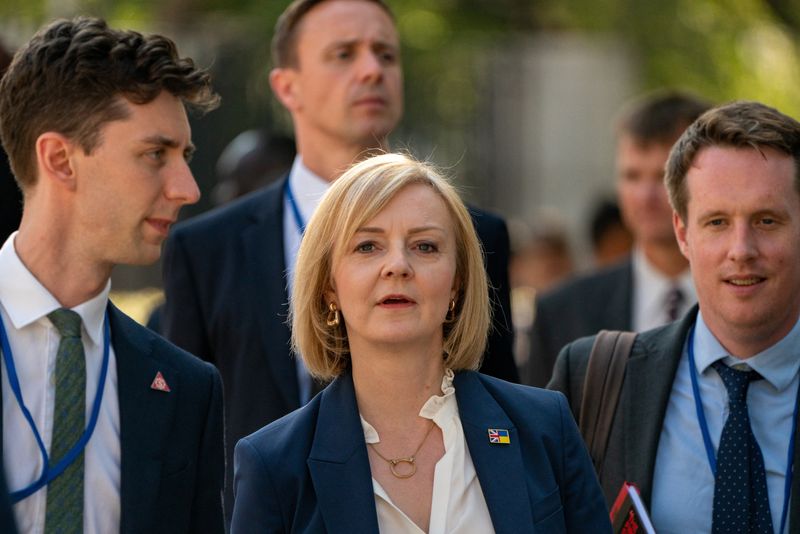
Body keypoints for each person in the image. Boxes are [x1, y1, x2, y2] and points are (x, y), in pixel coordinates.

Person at [161, 0, 518, 515]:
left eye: (386, 55)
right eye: (344, 54)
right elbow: (183, 436)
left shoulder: (479, 235)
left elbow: (497, 404)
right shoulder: (205, 248)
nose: (372, 69)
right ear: (287, 86)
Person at [231, 153, 610, 533]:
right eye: (367, 246)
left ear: (457, 284)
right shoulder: (274, 464)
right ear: (330, 285)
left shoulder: (544, 428)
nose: (397, 265)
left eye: (425, 246)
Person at [0, 17, 224, 532]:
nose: (188, 188)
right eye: (155, 154)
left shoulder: (189, 389)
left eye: (184, 157)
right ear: (60, 159)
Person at [549, 101, 800, 533]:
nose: (741, 250)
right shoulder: (593, 380)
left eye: (767, 220)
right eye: (717, 222)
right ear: (683, 232)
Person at [527, 91, 710, 387]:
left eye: (664, 175)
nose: (645, 196)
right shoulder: (561, 313)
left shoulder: (759, 300)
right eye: (632, 176)